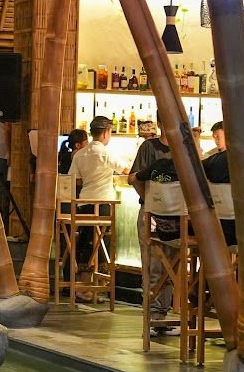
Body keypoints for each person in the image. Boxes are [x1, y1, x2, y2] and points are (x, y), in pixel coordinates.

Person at [68, 117, 119, 298]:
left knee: (86, 240)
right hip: (104, 203)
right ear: (105, 133)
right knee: (101, 242)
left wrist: (89, 180)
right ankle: (92, 285)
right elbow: (127, 170)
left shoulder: (80, 154)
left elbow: (74, 179)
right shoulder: (106, 153)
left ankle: (84, 285)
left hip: (84, 203)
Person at [128, 124, 175, 320]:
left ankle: (162, 314)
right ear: (162, 125)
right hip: (151, 216)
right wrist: (148, 200)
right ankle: (153, 314)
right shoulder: (149, 147)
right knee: (153, 266)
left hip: (176, 217)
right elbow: (133, 178)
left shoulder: (183, 148)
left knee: (170, 266)